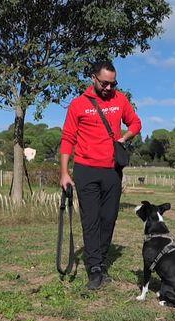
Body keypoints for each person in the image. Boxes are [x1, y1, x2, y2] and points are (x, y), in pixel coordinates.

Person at [59, 60, 142, 290]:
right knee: (91, 220)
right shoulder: (78, 105)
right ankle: (95, 268)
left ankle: (101, 259)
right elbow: (68, 140)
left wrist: (124, 138)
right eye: (105, 83)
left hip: (112, 171)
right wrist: (65, 172)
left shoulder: (120, 99)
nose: (108, 88)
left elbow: (136, 122)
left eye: (113, 84)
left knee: (108, 219)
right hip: (86, 170)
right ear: (93, 78)